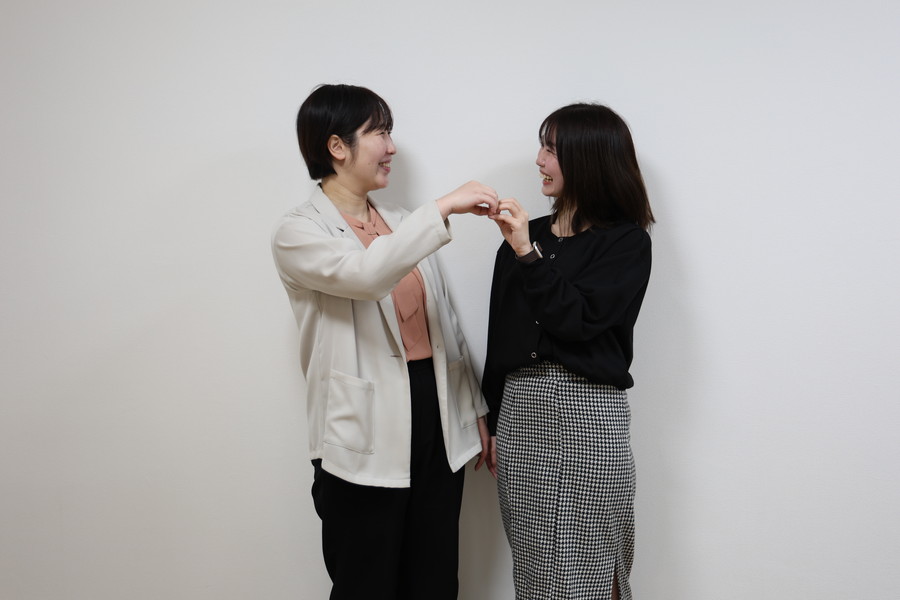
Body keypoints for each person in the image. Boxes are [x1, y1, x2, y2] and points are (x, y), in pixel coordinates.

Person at [271, 84, 497, 600]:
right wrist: (444, 206)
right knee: (366, 584)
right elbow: (365, 275)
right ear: (337, 146)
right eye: (379, 132)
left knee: (435, 580)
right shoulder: (298, 232)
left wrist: (474, 410)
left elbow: (446, 325)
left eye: (390, 132)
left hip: (436, 419)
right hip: (362, 431)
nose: (391, 146)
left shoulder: (401, 221)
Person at [482, 103, 655, 600]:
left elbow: (577, 321)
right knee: (536, 568)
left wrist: (527, 255)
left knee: (593, 565)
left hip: (587, 413)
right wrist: (490, 416)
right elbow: (502, 337)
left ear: (588, 158)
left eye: (552, 150)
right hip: (521, 415)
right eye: (542, 147)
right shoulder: (523, 239)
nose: (539, 160)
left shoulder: (625, 243)